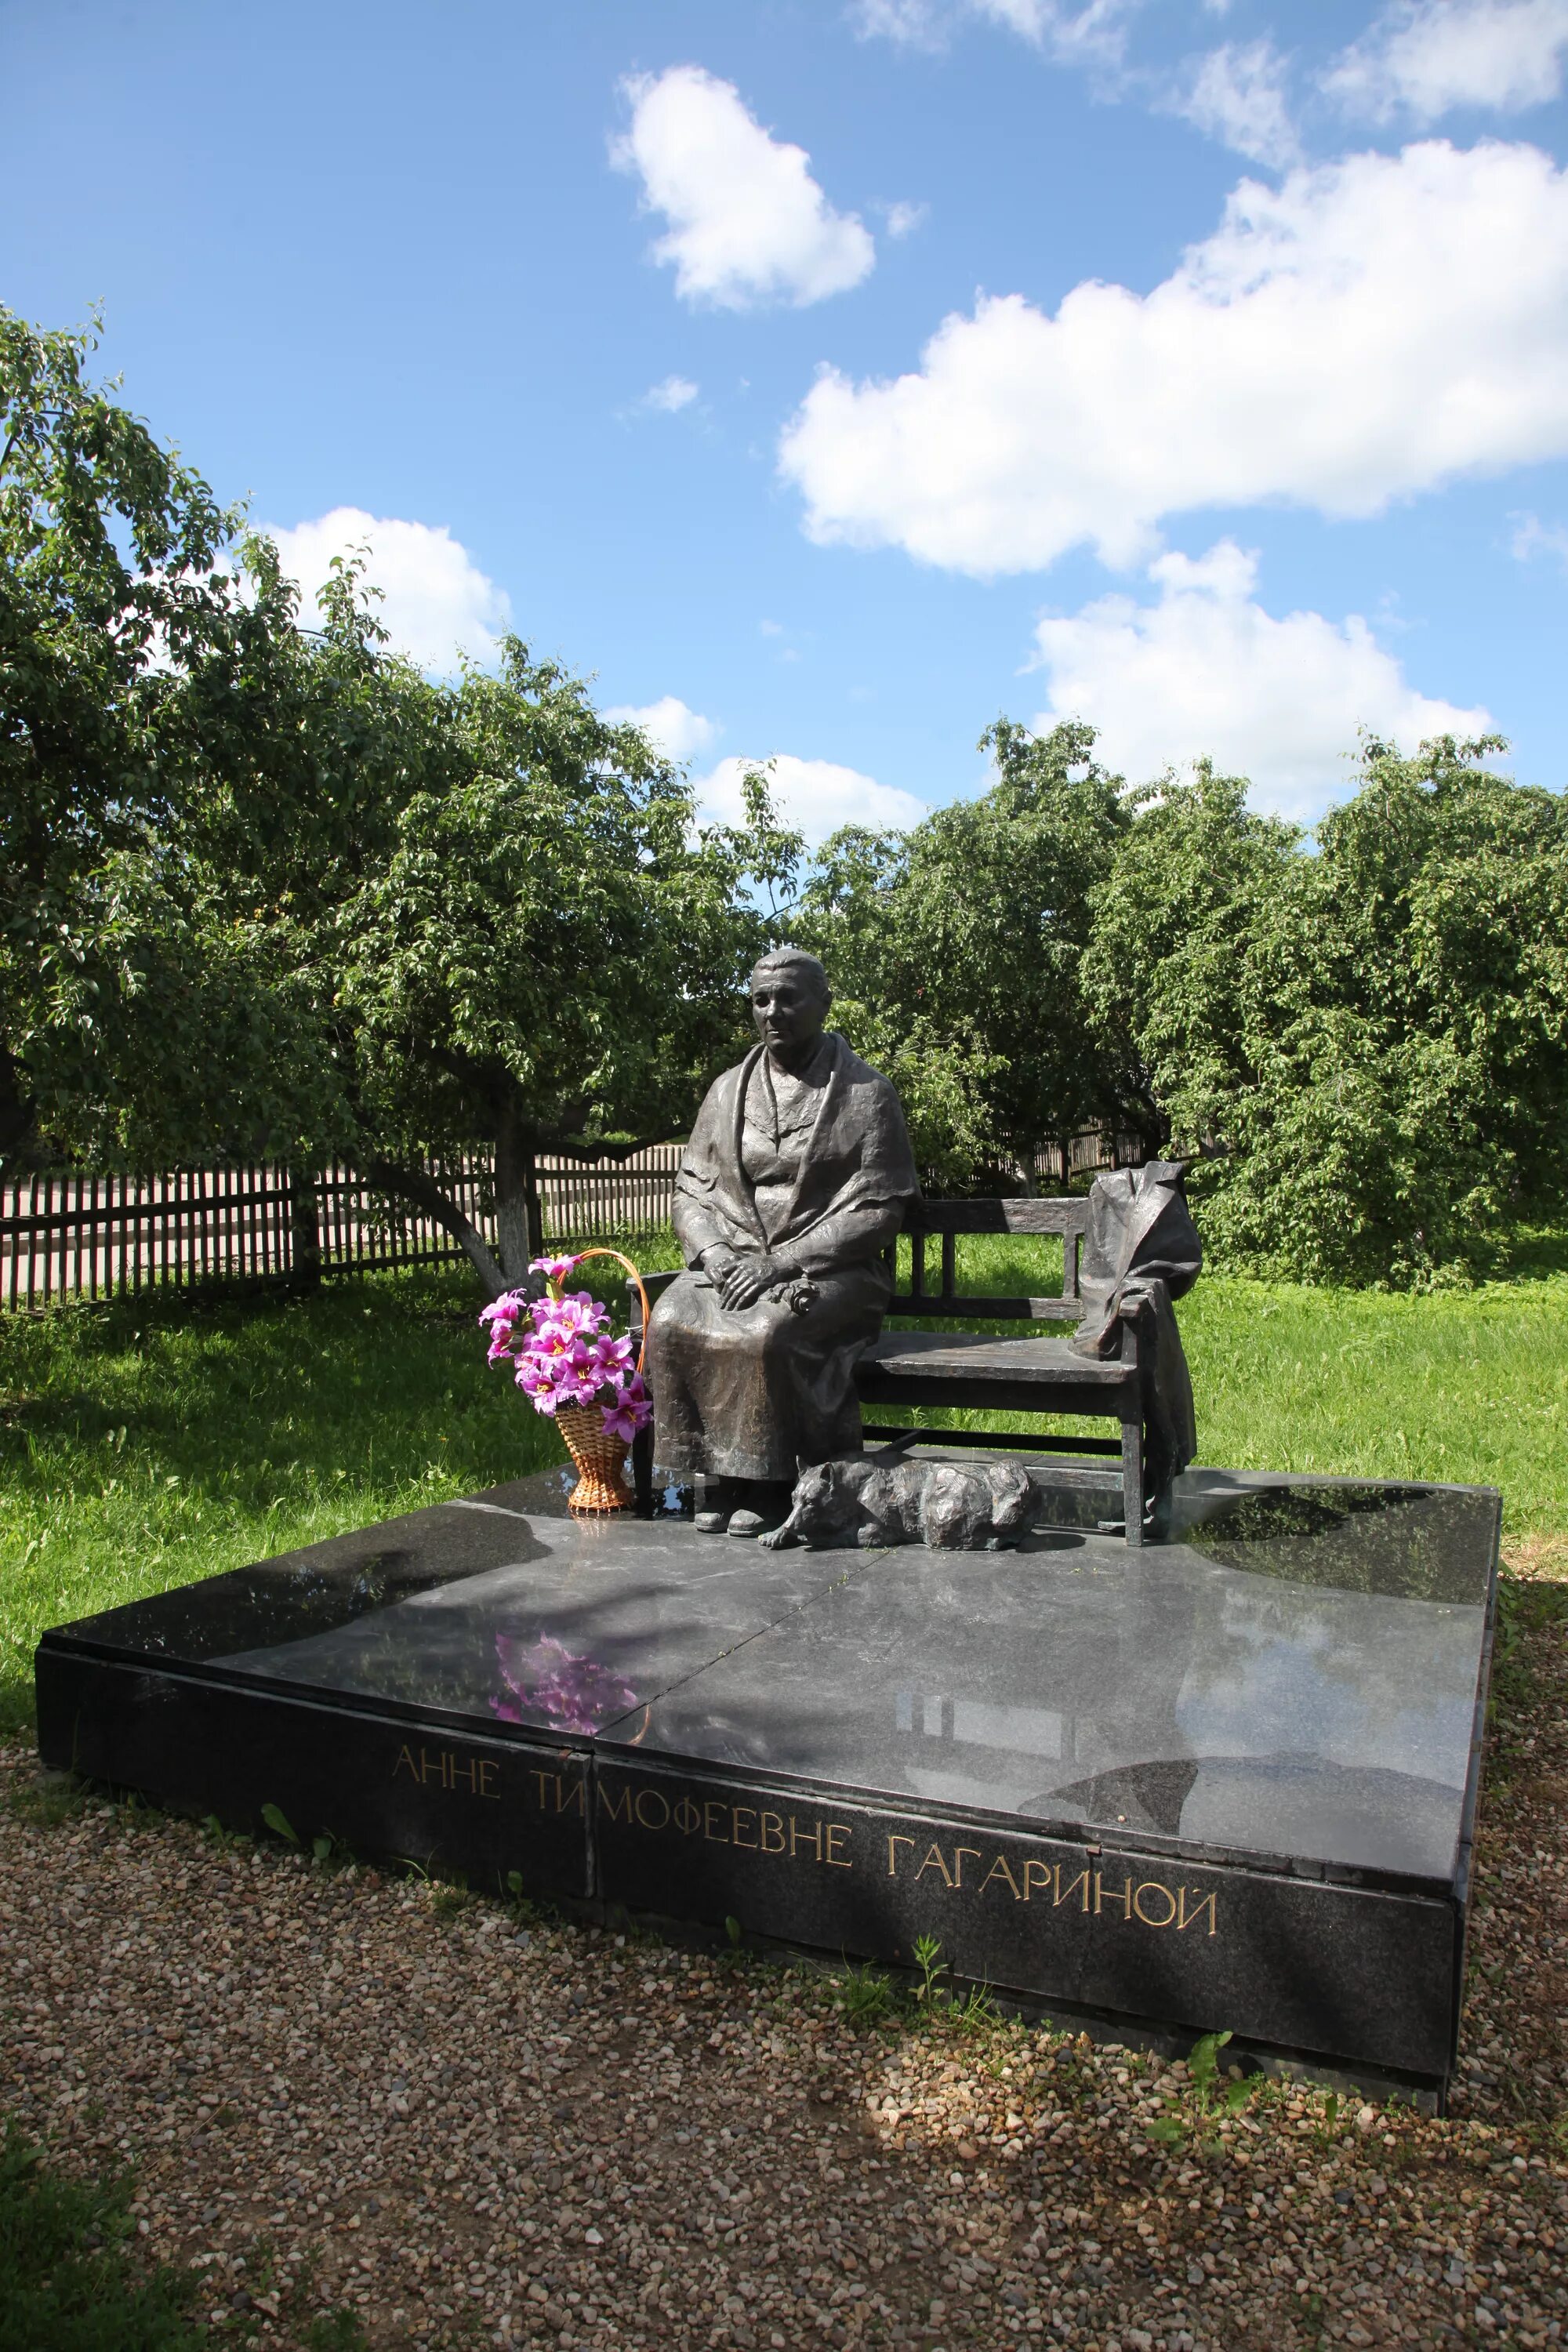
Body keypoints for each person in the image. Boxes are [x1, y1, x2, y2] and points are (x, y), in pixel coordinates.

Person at [646, 949, 920, 1535]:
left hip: (834, 1272)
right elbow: (691, 1193)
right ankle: (715, 1478)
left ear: (823, 1003)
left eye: (789, 997)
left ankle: (772, 1487)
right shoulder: (725, 1092)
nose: (773, 1011)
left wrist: (782, 1264)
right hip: (732, 1262)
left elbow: (880, 1211)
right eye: (761, 999)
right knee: (669, 1319)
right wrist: (717, 1255)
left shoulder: (869, 1094)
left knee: (768, 1331)